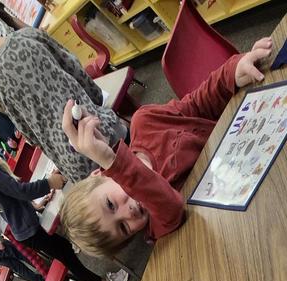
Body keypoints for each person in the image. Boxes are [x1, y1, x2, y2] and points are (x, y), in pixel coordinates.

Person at [58, 38, 273, 256]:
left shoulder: (145, 122)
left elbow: (197, 105)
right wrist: (114, 164)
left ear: (99, 174)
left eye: (111, 205)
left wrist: (232, 73)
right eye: (123, 228)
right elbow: (171, 207)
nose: (129, 213)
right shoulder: (157, 222)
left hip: (256, 151)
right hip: (251, 220)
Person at [0, 100, 127, 281]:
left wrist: (35, 204)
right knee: (66, 253)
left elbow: (9, 199)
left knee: (65, 247)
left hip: (26, 224)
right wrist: (49, 183)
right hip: (28, 231)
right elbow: (19, 191)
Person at [0, 1, 127, 183]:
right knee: (134, 166)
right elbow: (73, 67)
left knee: (111, 197)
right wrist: (97, 98)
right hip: (95, 126)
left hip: (74, 161)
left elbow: (28, 132)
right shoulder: (27, 35)